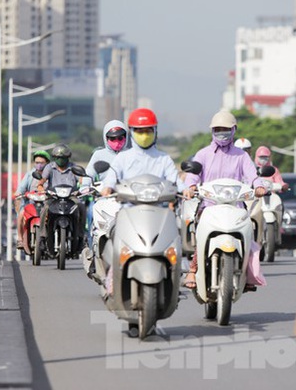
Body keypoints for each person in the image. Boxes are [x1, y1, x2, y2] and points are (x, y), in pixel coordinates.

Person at [182, 110, 267, 290]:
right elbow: (192, 175)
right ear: (212, 131)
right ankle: (193, 269)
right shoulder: (203, 154)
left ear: (234, 130)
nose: (222, 132)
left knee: (248, 231)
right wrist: (190, 187)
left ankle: (247, 273)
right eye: (218, 129)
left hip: (235, 206)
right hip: (209, 205)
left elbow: (252, 175)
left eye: (226, 129)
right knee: (200, 232)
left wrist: (258, 186)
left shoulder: (241, 156)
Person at [81, 120, 128, 274]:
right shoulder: (98, 155)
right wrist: (85, 186)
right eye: (112, 138)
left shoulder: (131, 154)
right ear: (105, 138)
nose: (117, 142)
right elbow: (89, 174)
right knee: (90, 213)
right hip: (104, 199)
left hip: (128, 199)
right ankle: (92, 252)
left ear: (126, 137)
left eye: (120, 138)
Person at [101, 108, 183, 193]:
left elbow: (175, 179)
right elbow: (111, 177)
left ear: (155, 131)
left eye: (148, 131)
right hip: (128, 204)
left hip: (158, 204)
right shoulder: (122, 157)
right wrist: (108, 187)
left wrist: (185, 189)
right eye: (139, 131)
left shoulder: (164, 158)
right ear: (131, 132)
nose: (144, 135)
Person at [36, 143, 87, 254]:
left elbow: (82, 181)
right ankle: (42, 238)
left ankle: (81, 237)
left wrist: (84, 188)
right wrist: (41, 189)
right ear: (54, 158)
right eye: (58, 158)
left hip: (71, 197)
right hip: (53, 197)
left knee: (81, 207)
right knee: (44, 209)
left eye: (63, 158)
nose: (60, 160)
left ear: (68, 158)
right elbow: (41, 182)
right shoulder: (49, 167)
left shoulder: (73, 167)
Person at [13, 150, 51, 251]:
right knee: (21, 215)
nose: (39, 165)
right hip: (31, 203)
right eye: (37, 162)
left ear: (47, 163)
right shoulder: (30, 175)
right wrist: (18, 193)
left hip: (46, 203)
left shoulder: (51, 174)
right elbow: (21, 188)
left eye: (41, 163)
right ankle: (20, 239)